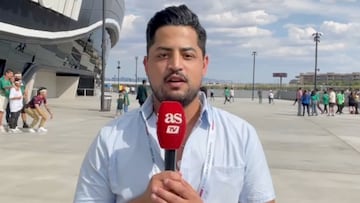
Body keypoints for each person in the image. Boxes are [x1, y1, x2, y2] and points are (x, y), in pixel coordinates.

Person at [74, 4, 275, 203]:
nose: (176, 65)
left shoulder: (241, 135)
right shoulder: (110, 138)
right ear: (146, 65)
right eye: (163, 55)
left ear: (204, 64)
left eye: (188, 55)